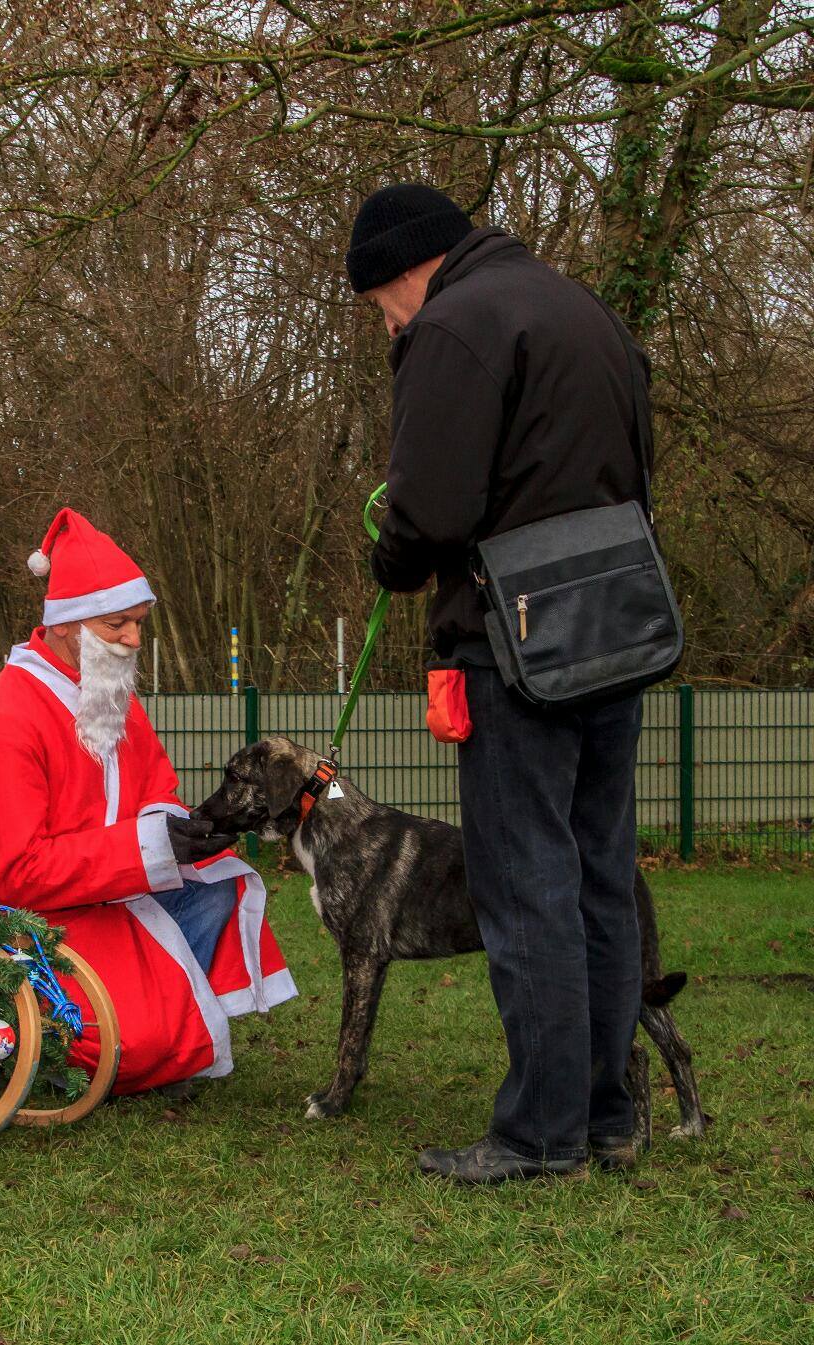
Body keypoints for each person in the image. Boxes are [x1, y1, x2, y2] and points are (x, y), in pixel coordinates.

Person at [347, 183, 653, 1183]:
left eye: (379, 302)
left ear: (404, 268)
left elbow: (429, 506)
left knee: (525, 885)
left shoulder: (454, 325)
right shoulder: (584, 310)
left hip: (513, 640)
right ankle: (607, 1115)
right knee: (600, 875)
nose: (388, 323)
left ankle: (539, 1134)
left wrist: (391, 559)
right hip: (617, 626)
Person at [0, 508, 297, 1096]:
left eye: (139, 623)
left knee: (219, 883)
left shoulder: (111, 699)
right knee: (131, 1041)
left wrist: (185, 832)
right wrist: (146, 848)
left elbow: (156, 793)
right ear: (66, 624)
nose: (133, 639)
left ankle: (161, 1014)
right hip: (10, 916)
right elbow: (19, 874)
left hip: (95, 893)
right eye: (117, 624)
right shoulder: (1, 725)